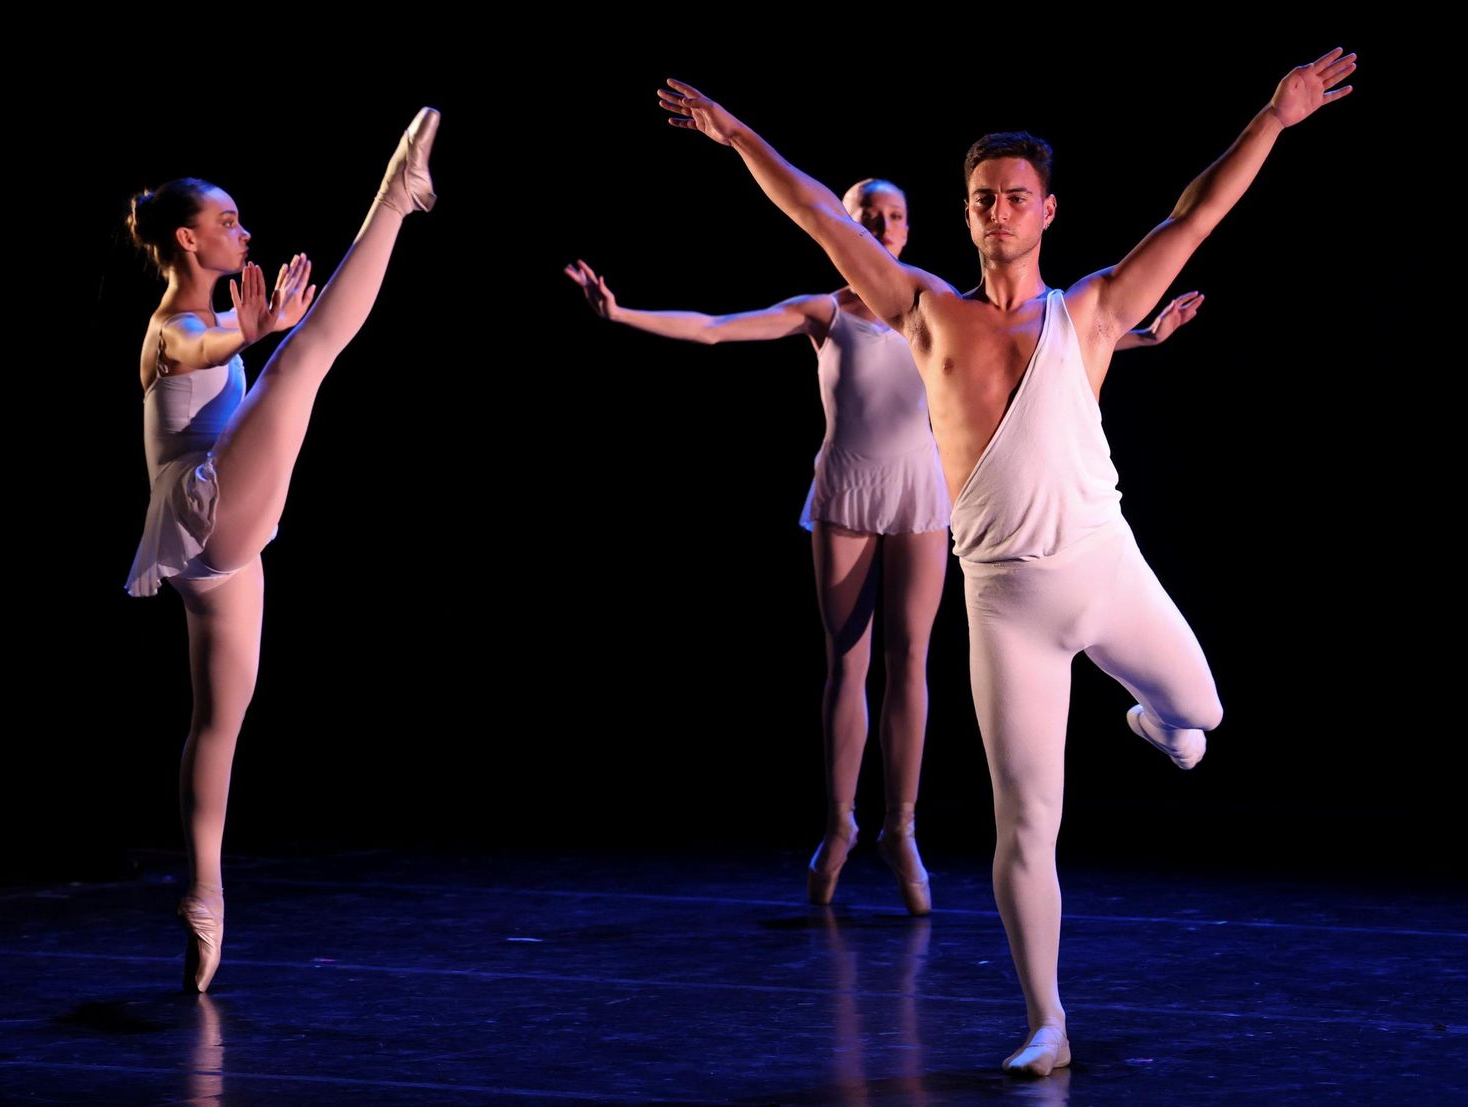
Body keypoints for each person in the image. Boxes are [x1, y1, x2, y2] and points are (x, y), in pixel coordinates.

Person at [656, 47, 1353, 1075]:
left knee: (1201, 717)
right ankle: (1046, 1020)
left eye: (1015, 199)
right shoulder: (926, 312)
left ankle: (1156, 719)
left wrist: (1275, 114)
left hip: (1105, 573)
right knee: (1025, 823)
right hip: (1004, 607)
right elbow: (819, 217)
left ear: (1047, 212)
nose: (996, 213)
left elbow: (1195, 216)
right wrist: (737, 137)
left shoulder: (1095, 311)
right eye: (982, 199)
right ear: (969, 210)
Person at [565, 188, 1199, 916]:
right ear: (844, 225)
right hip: (846, 494)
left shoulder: (936, 308)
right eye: (866, 215)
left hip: (922, 495)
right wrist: (620, 313)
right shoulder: (824, 312)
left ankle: (902, 828)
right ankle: (839, 824)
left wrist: (1144, 337)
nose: (882, 227)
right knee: (847, 661)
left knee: (910, 661)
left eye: (894, 217)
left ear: (908, 230)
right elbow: (715, 328)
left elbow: (1049, 343)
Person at [124, 107, 440, 992]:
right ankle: (394, 196)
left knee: (218, 727)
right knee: (306, 355)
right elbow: (198, 345)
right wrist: (252, 335)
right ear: (188, 240)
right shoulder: (170, 326)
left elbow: (227, 347)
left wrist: (253, 334)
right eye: (228, 222)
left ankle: (205, 897)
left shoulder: (209, 311)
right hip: (208, 507)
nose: (245, 230)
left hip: (217, 550)